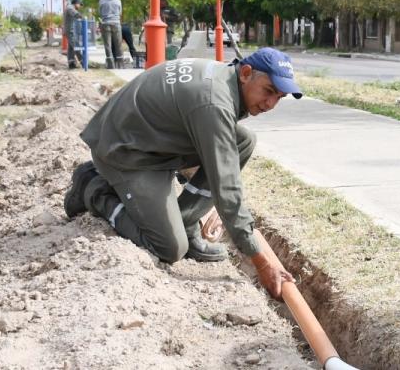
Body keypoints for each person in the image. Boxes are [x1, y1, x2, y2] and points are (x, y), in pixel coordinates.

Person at [62, 47, 304, 299]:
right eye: (268, 91)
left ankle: (186, 221)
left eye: (280, 97)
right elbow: (227, 187)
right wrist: (261, 261)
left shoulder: (224, 79)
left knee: (243, 141)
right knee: (169, 247)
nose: (271, 104)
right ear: (245, 73)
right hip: (125, 152)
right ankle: (93, 188)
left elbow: (223, 160)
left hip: (148, 138)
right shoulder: (214, 102)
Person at [98, 0, 123, 69]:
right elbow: (120, 13)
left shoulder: (101, 1)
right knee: (118, 44)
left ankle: (111, 65)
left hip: (105, 23)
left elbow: (100, 12)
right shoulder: (118, 1)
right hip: (116, 23)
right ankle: (120, 65)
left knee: (108, 45)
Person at [64, 0, 86, 70]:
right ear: (76, 3)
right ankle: (83, 62)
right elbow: (76, 15)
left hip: (71, 31)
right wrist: (84, 18)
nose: (80, 6)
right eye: (79, 4)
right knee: (76, 46)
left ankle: (71, 63)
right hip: (70, 31)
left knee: (71, 48)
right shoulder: (70, 8)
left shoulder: (70, 8)